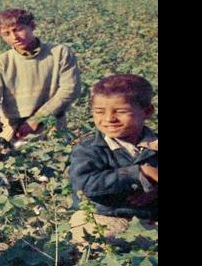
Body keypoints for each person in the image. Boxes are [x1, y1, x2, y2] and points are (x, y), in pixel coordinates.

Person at [67, 74, 158, 243]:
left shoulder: (155, 144)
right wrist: (138, 173)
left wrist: (154, 191)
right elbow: (84, 185)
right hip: (105, 218)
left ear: (147, 112)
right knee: (91, 238)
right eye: (99, 112)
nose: (109, 119)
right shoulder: (89, 149)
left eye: (121, 111)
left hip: (149, 221)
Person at [0, 9, 79, 143]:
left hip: (51, 124)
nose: (14, 37)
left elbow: (70, 89)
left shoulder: (59, 53)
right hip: (14, 129)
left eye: (18, 29)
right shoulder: (1, 63)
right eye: (6, 34)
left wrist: (37, 119)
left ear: (32, 26)